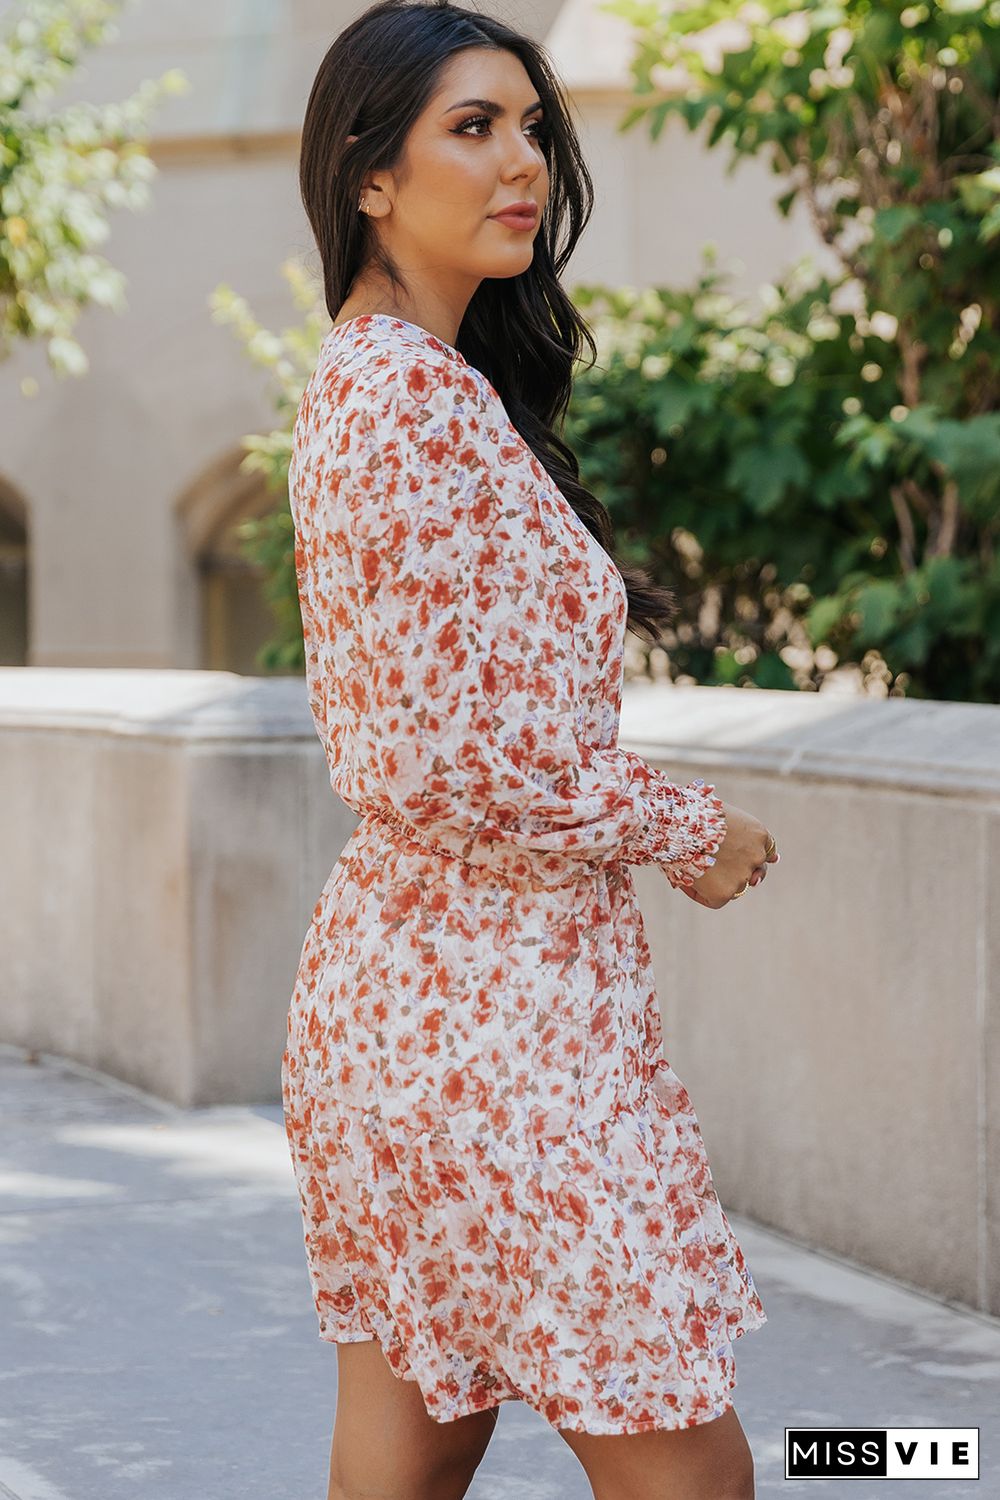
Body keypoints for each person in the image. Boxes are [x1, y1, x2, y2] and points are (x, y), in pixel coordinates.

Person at [281, 3, 779, 1497]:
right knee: (691, 1474)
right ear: (370, 175)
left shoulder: (401, 383)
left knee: (409, 1453)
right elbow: (446, 760)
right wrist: (690, 833)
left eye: (533, 128)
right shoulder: (407, 407)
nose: (527, 167)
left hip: (433, 1006)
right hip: (489, 1033)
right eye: (473, 128)